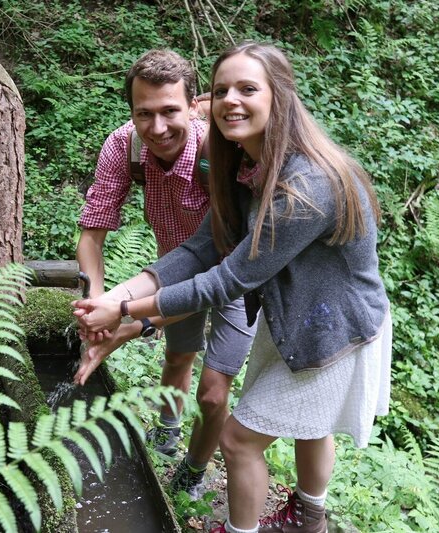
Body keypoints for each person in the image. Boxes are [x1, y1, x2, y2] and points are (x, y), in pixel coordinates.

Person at [73, 42, 391, 533]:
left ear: (279, 96)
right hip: (291, 315)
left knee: (239, 440)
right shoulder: (246, 167)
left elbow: (230, 279)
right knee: (311, 427)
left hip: (337, 330)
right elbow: (201, 248)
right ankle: (309, 519)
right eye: (222, 90)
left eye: (247, 88)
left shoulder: (306, 187)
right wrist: (112, 299)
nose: (230, 100)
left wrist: (128, 313)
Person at [76, 48, 256, 495]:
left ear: (193, 105)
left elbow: (217, 278)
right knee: (177, 358)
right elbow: (91, 235)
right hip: (170, 268)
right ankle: (167, 432)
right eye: (144, 113)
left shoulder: (221, 153)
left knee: (213, 390)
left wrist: (129, 323)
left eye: (169, 111)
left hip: (233, 275)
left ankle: (193, 471)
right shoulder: (124, 147)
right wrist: (96, 306)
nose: (157, 128)